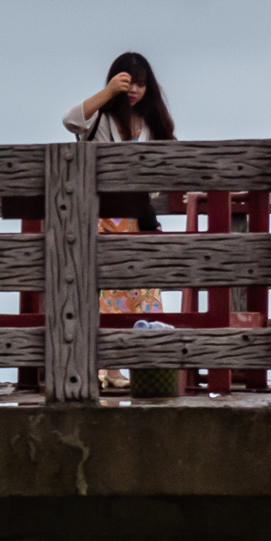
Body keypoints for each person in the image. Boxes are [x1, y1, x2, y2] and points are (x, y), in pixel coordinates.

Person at [64, 55, 172, 384]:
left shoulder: (152, 124)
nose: (135, 90)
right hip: (102, 219)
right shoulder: (100, 116)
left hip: (138, 219)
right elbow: (69, 120)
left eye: (140, 83)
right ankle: (107, 368)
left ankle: (135, 367)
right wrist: (108, 91)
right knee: (105, 294)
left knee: (143, 293)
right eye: (129, 83)